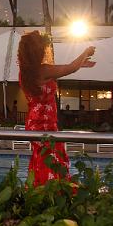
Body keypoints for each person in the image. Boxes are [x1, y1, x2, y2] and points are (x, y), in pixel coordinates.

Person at [18, 31, 96, 186]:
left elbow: (70, 67)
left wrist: (80, 63)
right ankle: (53, 191)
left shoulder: (25, 73)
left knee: (42, 158)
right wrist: (85, 52)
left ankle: (38, 190)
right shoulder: (43, 70)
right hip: (45, 123)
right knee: (52, 159)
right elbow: (70, 68)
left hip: (35, 121)